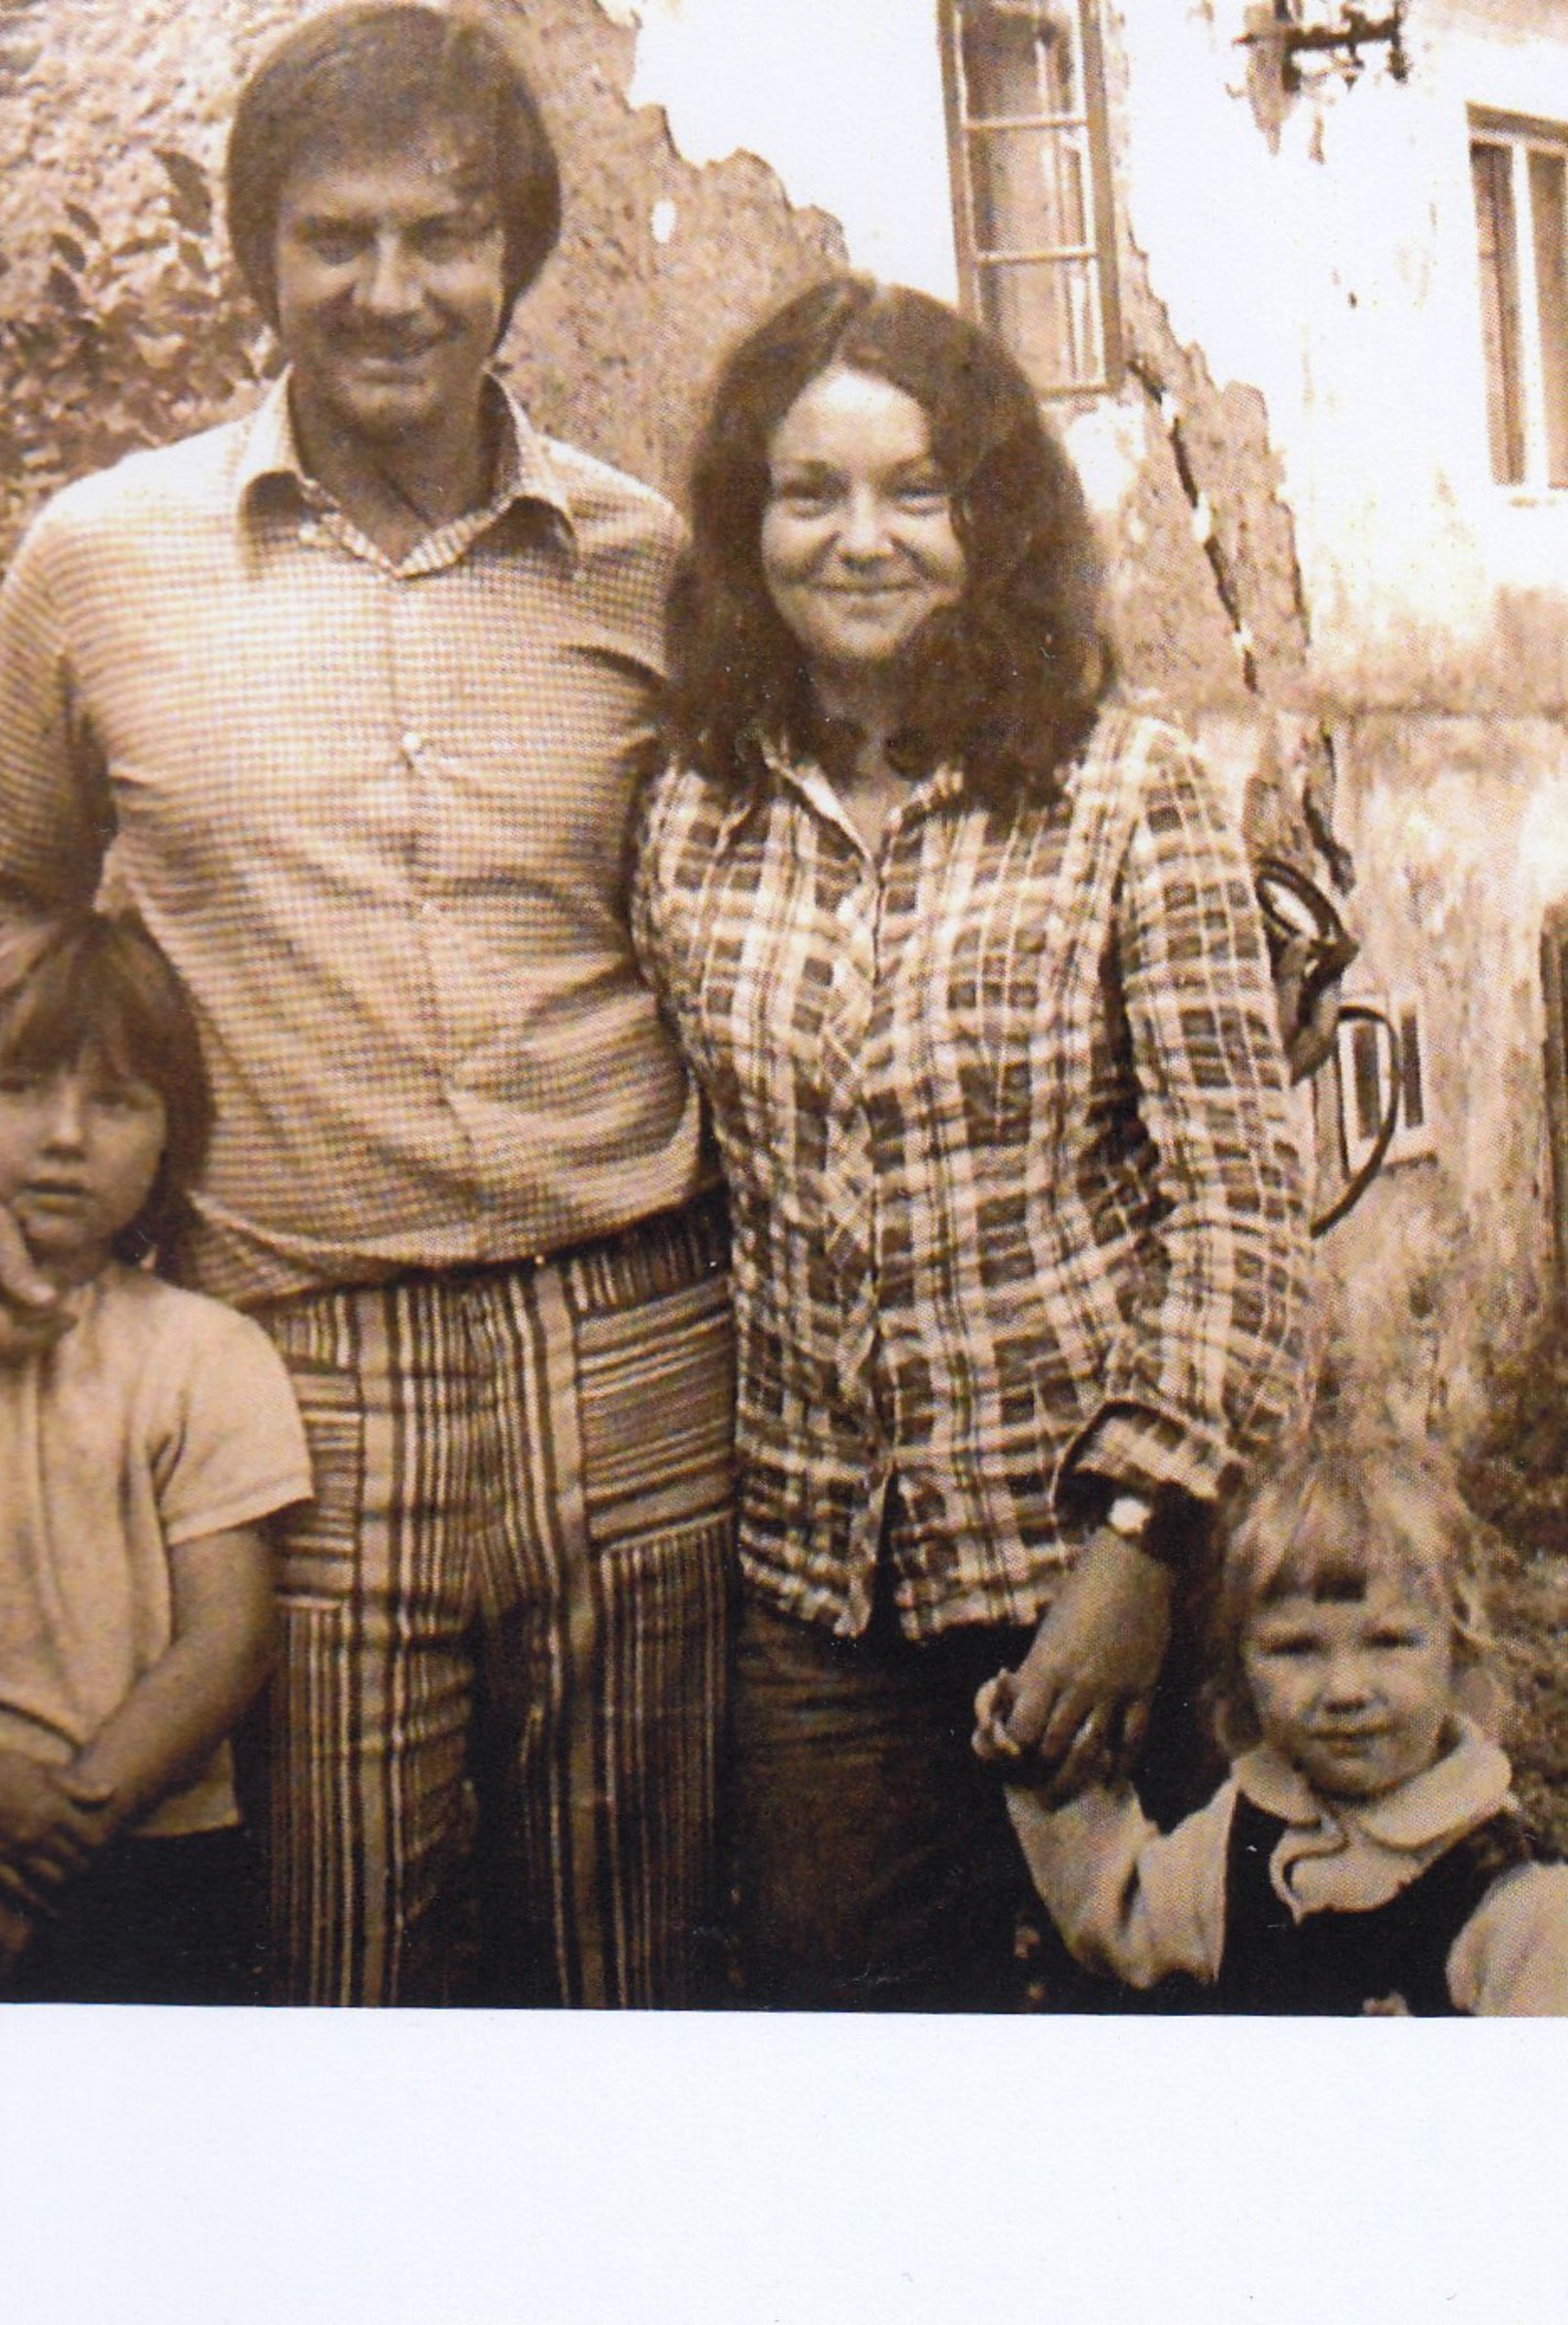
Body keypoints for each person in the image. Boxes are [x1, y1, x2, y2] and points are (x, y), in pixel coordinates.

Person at [0, 5, 733, 2007]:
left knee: (627, 1984)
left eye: (444, 237)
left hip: (635, 1343)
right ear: (258, 258)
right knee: (338, 1977)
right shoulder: (101, 563)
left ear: (516, 257)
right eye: (334, 237)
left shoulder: (645, 562)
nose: (390, 292)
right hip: (300, 1372)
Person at [632, 275, 1311, 2009]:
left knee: (1174, 2029)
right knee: (854, 2061)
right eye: (810, 492)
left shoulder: (1124, 792)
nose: (861, 540)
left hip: (1103, 1577)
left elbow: (1239, 1208)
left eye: (915, 491)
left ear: (989, 521)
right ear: (746, 526)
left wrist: (1138, 1549)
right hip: (820, 1600)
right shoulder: (695, 810)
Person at [0, 912, 311, 2003]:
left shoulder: (203, 1350)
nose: (66, 1136)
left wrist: (48, 1850)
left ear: (172, 1135)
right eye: (19, 1090)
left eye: (118, 1102)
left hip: (142, 1843)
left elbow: (227, 1640)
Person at [978, 1429, 1568, 2014]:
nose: (1345, 1691)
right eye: (1295, 1649)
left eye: (1388, 1642)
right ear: (1241, 1664)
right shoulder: (1244, 1831)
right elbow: (1127, 1921)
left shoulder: (1520, 1904)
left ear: (1456, 1649)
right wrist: (1047, 1759)